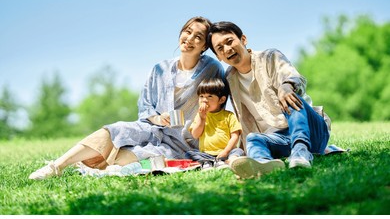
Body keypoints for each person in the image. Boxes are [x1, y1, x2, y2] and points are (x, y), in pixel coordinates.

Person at [29, 16, 225, 180]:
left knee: (122, 161)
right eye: (187, 31)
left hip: (179, 142)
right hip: (152, 128)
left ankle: (92, 165)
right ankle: (56, 166)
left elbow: (222, 100)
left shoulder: (211, 68)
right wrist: (157, 118)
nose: (189, 38)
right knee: (116, 129)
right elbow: (146, 105)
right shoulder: (160, 69)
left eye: (198, 37)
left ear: (204, 47)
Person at [206, 21, 331, 179]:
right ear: (219, 57)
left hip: (310, 129)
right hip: (280, 138)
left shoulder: (270, 57)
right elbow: (243, 120)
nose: (227, 49)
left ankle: (301, 152)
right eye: (220, 48)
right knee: (253, 138)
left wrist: (286, 87)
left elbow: (292, 76)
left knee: (290, 97)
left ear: (243, 39)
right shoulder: (230, 79)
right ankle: (263, 164)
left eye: (229, 41)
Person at [186, 78, 244, 170]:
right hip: (206, 154)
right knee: (189, 153)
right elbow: (195, 135)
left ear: (221, 100)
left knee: (239, 150)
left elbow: (235, 136)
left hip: (226, 152)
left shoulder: (228, 115)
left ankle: (229, 161)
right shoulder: (199, 116)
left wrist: (226, 151)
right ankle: (209, 163)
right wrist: (202, 118)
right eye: (201, 96)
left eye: (209, 96)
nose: (204, 100)